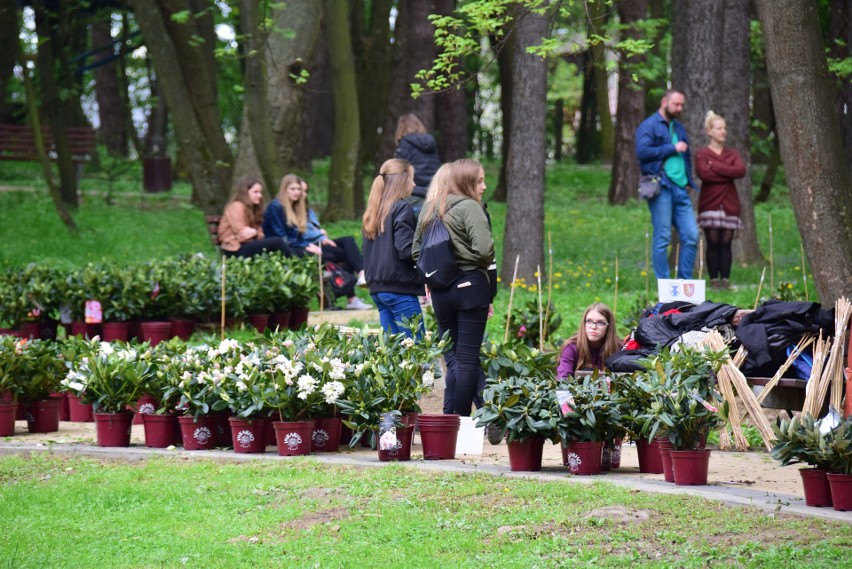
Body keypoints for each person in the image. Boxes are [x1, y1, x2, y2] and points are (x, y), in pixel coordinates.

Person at [413, 159, 495, 417]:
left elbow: (416, 251)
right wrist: (470, 260)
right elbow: (484, 250)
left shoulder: (429, 208)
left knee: (455, 359)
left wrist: (438, 274)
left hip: (441, 292)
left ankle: (456, 418)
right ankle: (459, 421)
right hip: (471, 287)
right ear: (465, 182)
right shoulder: (470, 207)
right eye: (478, 180)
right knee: (468, 358)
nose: (483, 186)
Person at [263, 174, 370, 310]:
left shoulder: (296, 206)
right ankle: (343, 295)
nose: (298, 193)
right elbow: (282, 238)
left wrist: (314, 242)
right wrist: (309, 245)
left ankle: (355, 288)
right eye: (293, 189)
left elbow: (299, 234)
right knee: (329, 256)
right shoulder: (276, 206)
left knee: (344, 249)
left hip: (299, 244)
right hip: (284, 248)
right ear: (285, 189)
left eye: (299, 189)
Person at [635, 90, 700, 279]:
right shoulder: (649, 125)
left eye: (681, 105)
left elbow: (686, 155)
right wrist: (672, 148)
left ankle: (683, 284)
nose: (679, 108)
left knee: (691, 235)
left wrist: (688, 181)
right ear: (665, 102)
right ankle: (664, 286)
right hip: (661, 186)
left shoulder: (679, 128)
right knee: (663, 237)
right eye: (676, 104)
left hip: (681, 189)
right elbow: (642, 152)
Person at [362, 159, 424, 336]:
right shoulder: (402, 208)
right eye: (412, 178)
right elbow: (406, 249)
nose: (414, 184)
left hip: (378, 290)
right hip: (399, 289)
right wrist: (428, 250)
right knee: (415, 351)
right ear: (402, 180)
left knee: (394, 351)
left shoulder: (374, 210)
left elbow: (365, 252)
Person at [694, 110, 747, 290]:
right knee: (713, 241)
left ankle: (725, 279)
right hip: (710, 202)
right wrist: (727, 172)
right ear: (709, 131)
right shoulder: (702, 154)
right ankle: (714, 280)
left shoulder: (732, 153)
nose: (723, 131)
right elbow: (704, 174)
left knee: (726, 242)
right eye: (719, 128)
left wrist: (716, 167)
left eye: (724, 128)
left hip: (730, 203)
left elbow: (740, 171)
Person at [217, 177, 293, 258]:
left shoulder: (253, 209)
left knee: (279, 244)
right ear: (245, 193)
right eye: (255, 192)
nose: (260, 196)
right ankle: (296, 261)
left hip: (247, 245)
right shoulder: (237, 206)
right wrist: (254, 233)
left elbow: (260, 233)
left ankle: (295, 260)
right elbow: (242, 234)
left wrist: (255, 233)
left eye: (260, 192)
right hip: (235, 249)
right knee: (277, 242)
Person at [557, 303, 622, 379]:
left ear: (608, 326)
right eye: (589, 321)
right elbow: (563, 380)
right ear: (584, 323)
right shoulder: (571, 347)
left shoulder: (618, 348)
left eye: (600, 322)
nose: (593, 327)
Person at [394, 114, 441, 216]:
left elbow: (399, 171)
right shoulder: (431, 143)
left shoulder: (405, 143)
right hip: (432, 194)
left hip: (413, 194)